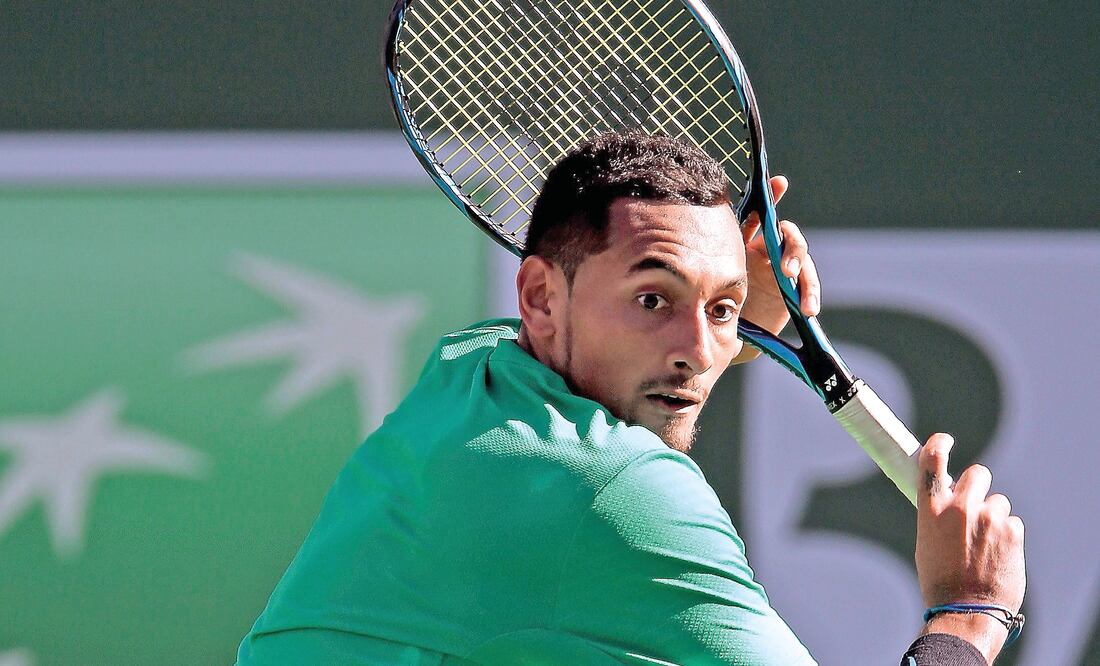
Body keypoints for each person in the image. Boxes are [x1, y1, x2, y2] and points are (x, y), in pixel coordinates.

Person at [236, 131, 1025, 665]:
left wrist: (731, 321)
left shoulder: (472, 370)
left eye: (720, 308)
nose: (695, 349)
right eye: (654, 300)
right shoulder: (618, 494)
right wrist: (967, 614)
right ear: (541, 297)